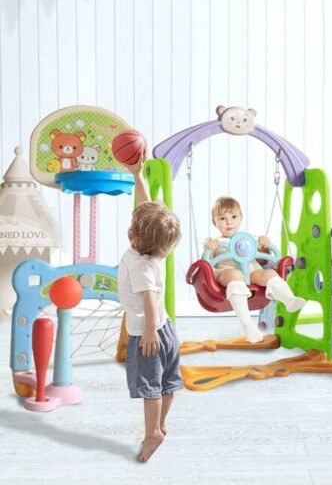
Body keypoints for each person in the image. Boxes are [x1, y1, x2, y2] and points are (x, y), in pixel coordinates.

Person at [117, 150, 182, 463]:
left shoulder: (141, 264)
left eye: (134, 227)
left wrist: (149, 332)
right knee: (167, 381)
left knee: (149, 387)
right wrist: (137, 175)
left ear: (137, 239)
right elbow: (146, 208)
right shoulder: (156, 247)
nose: (132, 226)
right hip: (168, 330)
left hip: (149, 333)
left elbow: (148, 301)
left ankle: (153, 432)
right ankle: (161, 424)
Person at [204, 196, 306, 343]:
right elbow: (206, 258)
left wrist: (263, 244)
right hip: (226, 274)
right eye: (222, 218)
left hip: (251, 272)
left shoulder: (249, 239)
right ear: (214, 222)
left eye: (233, 217)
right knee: (235, 274)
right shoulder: (215, 241)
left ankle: (289, 300)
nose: (229, 222)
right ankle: (248, 326)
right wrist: (209, 244)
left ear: (240, 218)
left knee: (269, 273)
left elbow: (263, 256)